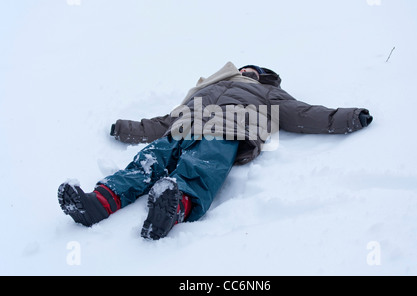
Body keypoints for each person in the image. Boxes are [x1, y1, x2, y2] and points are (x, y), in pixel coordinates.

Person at [58, 61, 373, 240]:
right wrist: (126, 129)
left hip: (229, 130)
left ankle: (172, 208)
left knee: (201, 165)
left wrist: (350, 118)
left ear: (264, 78)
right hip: (182, 128)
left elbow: (306, 115)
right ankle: (98, 203)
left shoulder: (270, 94)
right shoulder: (206, 88)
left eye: (255, 71)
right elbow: (163, 121)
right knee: (147, 160)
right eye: (245, 68)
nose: (248, 72)